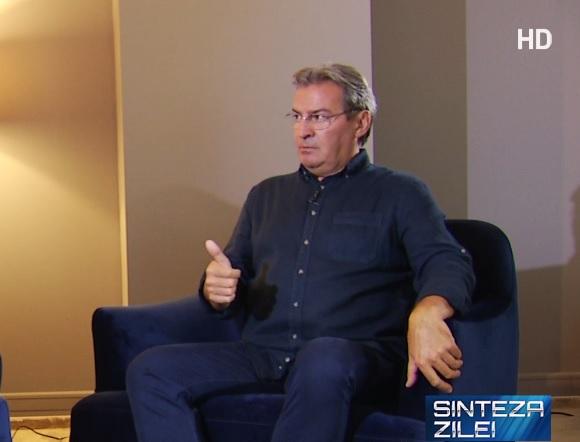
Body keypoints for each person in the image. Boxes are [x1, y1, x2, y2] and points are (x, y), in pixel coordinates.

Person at [126, 63, 475, 442]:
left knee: (322, 357)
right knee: (151, 368)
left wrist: (428, 312)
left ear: (360, 123)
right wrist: (216, 289)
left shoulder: (402, 193)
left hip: (353, 355)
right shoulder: (265, 196)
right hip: (265, 354)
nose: (303, 131)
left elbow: (447, 261)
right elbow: (232, 273)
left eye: (320, 117)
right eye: (297, 117)